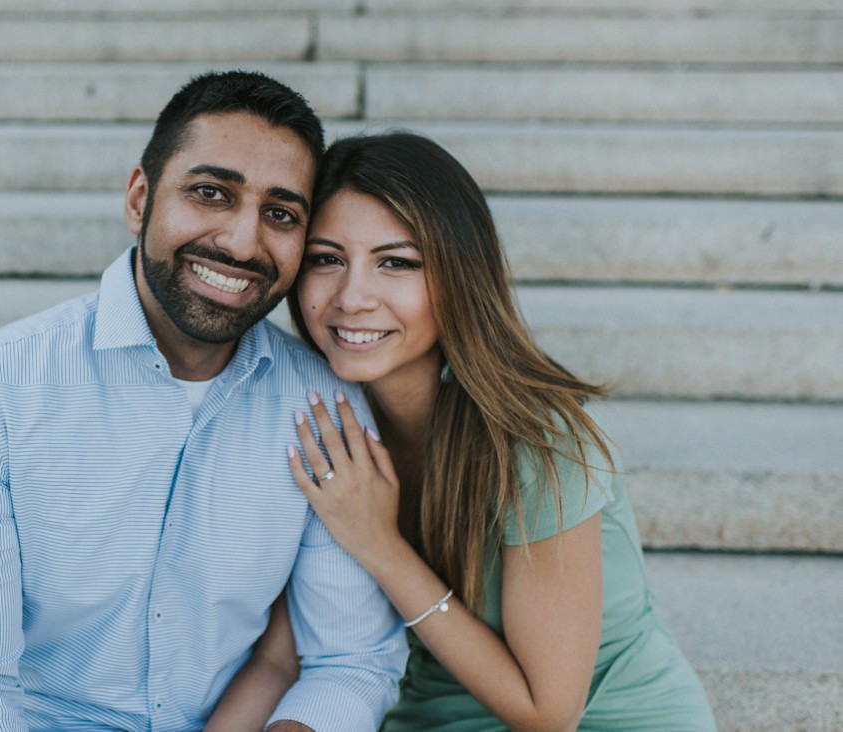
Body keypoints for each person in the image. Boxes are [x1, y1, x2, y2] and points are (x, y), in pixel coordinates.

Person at [0, 71, 408, 732]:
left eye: (280, 214)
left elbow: (348, 661)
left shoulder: (322, 405)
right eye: (210, 193)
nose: (242, 242)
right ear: (140, 199)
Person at [216, 131, 718, 730]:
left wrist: (379, 543)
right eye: (327, 259)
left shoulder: (536, 438)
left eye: (396, 263)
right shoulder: (317, 419)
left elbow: (549, 711)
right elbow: (282, 656)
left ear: (458, 275)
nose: (351, 297)